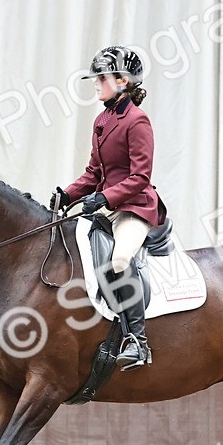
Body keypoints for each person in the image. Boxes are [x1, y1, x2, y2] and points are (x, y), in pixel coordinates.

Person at [52, 45, 167, 371]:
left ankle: (137, 343)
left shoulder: (137, 121)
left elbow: (140, 176)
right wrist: (67, 195)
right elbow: (93, 174)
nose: (96, 84)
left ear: (121, 81)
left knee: (118, 258)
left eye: (101, 78)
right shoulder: (103, 119)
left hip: (134, 208)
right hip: (109, 206)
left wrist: (104, 198)